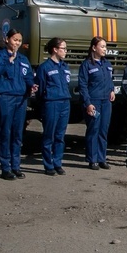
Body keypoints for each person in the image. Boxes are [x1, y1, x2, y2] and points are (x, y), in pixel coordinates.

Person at [0, 28, 37, 180]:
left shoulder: (23, 59)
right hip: (5, 97)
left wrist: (32, 85)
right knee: (6, 132)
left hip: (21, 98)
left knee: (18, 133)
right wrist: (8, 62)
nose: (17, 43)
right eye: (14, 40)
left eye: (19, 41)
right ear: (7, 39)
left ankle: (16, 166)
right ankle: (5, 168)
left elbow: (28, 76)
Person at [35, 37, 71, 175]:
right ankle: (48, 165)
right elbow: (40, 89)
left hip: (65, 103)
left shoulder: (65, 66)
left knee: (60, 135)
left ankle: (58, 162)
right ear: (55, 50)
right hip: (51, 103)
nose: (65, 51)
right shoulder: (44, 67)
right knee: (49, 135)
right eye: (63, 48)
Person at [78, 36, 115, 170]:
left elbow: (110, 80)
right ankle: (92, 159)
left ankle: (101, 158)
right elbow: (82, 86)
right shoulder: (87, 65)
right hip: (94, 101)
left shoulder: (107, 64)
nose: (105, 49)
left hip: (106, 102)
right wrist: (88, 103)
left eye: (105, 47)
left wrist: (111, 90)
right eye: (102, 46)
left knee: (103, 130)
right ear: (94, 48)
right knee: (93, 129)